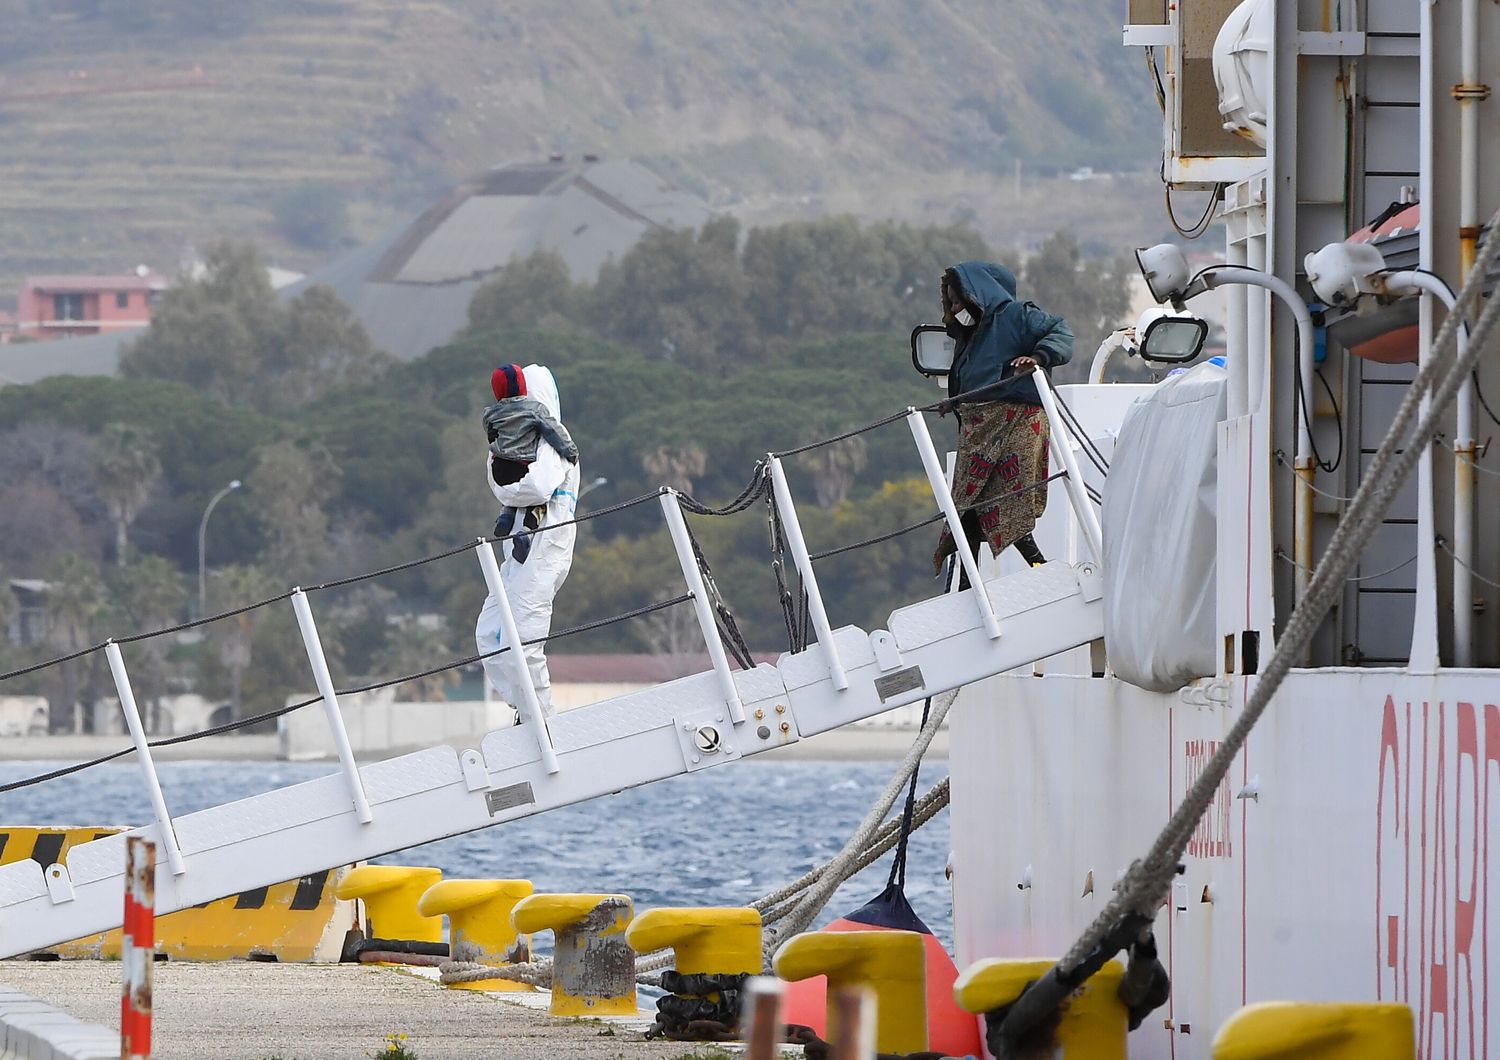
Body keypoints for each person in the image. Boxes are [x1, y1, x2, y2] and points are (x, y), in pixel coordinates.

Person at [933, 262, 1073, 585]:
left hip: (1015, 424)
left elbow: (1061, 332)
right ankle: (969, 588)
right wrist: (952, 403)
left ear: (976, 294)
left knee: (1010, 503)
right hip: (979, 433)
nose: (955, 309)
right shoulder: (968, 336)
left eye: (959, 301)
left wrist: (1038, 358)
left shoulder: (1016, 316)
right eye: (951, 302)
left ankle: (1040, 570)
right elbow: (970, 380)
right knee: (967, 511)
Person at [474, 363, 581, 719]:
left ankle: (540, 715)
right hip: (516, 552)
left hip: (547, 545)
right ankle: (522, 706)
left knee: (526, 633)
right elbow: (497, 483)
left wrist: (510, 481)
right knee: (489, 634)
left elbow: (533, 487)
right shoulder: (514, 440)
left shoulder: (556, 444)